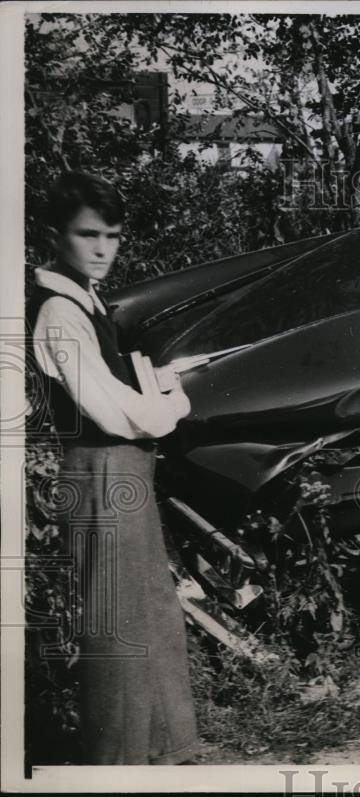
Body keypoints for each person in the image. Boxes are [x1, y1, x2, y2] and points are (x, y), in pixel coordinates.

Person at [27, 172, 198, 764]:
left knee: (149, 615)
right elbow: (115, 412)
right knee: (117, 630)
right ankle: (116, 765)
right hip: (101, 473)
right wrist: (174, 403)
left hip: (124, 473)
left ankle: (158, 755)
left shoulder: (86, 301)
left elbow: (123, 390)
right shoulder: (57, 310)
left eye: (114, 236)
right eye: (88, 234)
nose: (102, 249)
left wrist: (163, 384)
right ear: (55, 234)